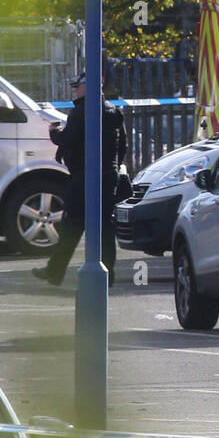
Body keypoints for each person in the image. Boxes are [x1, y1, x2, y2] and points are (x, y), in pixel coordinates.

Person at [33, 73, 127, 287]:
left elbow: (67, 139)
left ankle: (54, 272)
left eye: (78, 87)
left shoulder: (81, 111)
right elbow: (123, 146)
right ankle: (107, 275)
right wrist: (112, 167)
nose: (76, 90)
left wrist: (54, 131)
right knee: (104, 227)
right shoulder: (114, 111)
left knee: (71, 226)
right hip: (107, 177)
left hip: (83, 178)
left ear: (88, 87)